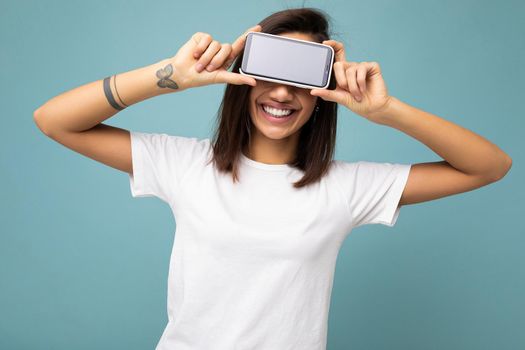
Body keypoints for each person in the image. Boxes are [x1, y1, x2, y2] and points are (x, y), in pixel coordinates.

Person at [33, 7, 511, 350]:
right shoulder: (183, 164)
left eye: (302, 77)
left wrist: (387, 111)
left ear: (322, 91)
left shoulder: (347, 188)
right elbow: (54, 120)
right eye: (269, 71)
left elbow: (489, 166)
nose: (282, 92)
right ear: (244, 76)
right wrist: (171, 75)